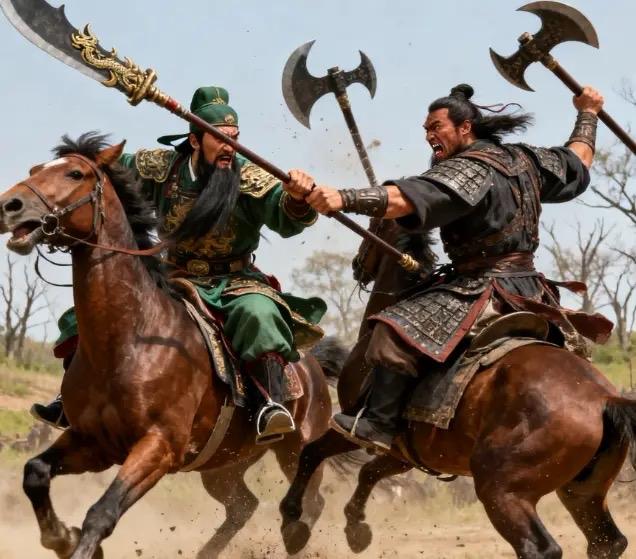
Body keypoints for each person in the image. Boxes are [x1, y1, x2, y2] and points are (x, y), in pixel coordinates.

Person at [304, 83, 609, 450]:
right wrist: (588, 113)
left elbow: (402, 200)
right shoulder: (526, 159)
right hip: (532, 289)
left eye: (436, 126)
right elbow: (578, 160)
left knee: (392, 328)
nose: (428, 135)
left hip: (483, 287)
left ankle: (378, 424)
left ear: (466, 127)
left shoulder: (468, 168)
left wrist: (343, 198)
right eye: (426, 129)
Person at [31, 86, 326, 443]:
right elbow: (102, 169)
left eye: (234, 138)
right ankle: (72, 397)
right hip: (171, 275)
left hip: (234, 281)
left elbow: (286, 215)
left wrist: (297, 198)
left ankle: (269, 404)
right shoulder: (160, 168)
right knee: (97, 310)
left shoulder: (251, 177)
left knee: (259, 314)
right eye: (220, 139)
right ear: (195, 140)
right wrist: (72, 167)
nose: (230, 147)